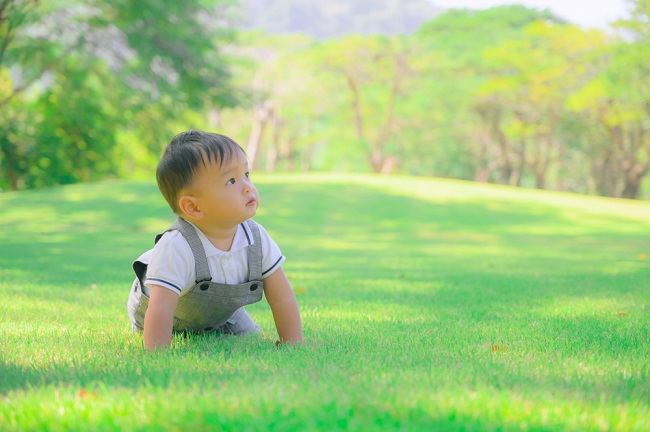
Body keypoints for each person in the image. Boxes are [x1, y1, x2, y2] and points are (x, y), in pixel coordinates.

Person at [126, 130, 303, 351]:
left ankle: (215, 328)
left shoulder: (256, 238)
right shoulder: (177, 246)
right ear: (193, 207)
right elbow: (161, 308)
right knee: (161, 320)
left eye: (246, 174)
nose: (247, 186)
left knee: (249, 337)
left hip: (218, 313)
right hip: (161, 311)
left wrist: (293, 342)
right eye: (231, 180)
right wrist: (158, 354)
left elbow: (281, 298)